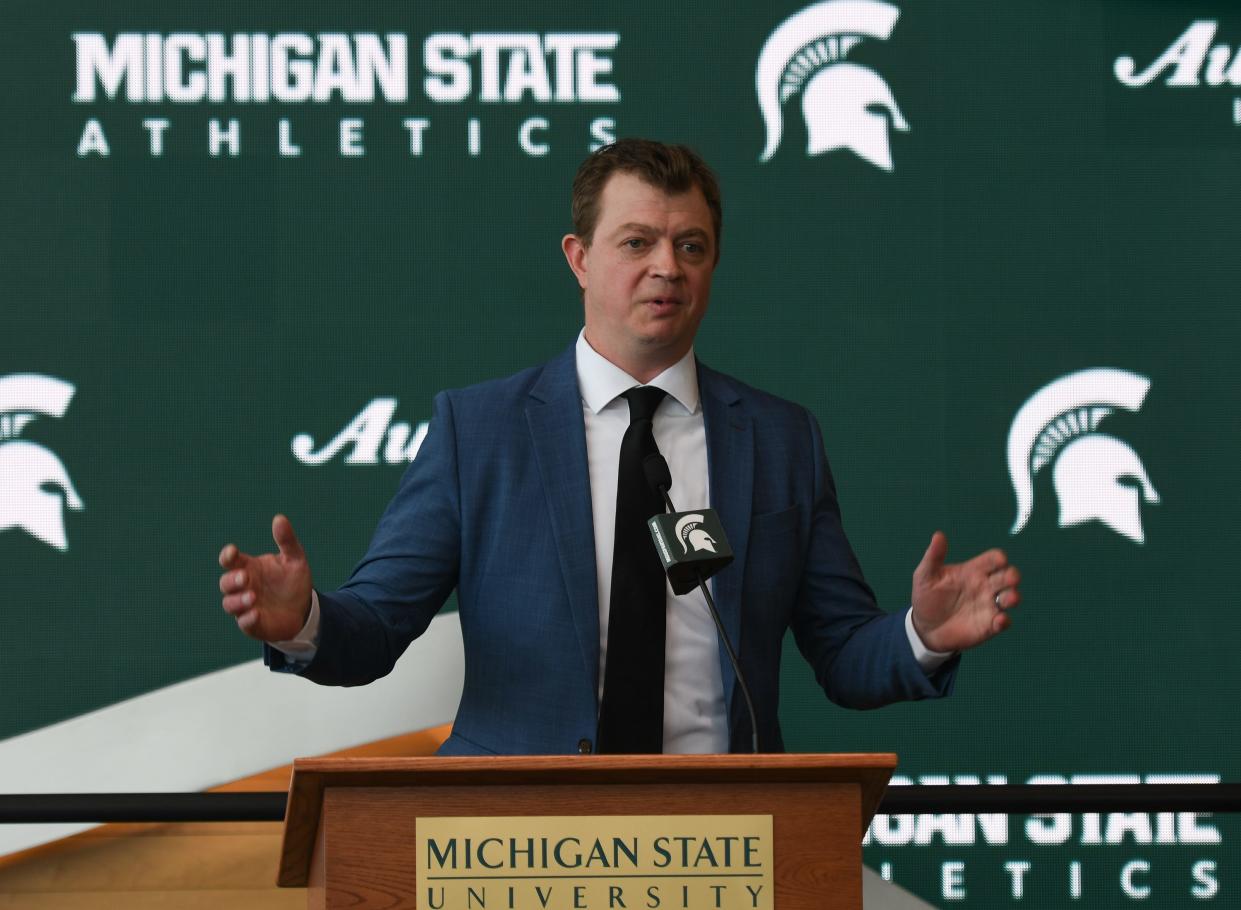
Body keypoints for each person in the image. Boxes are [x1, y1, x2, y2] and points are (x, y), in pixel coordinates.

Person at [218, 139, 1021, 755]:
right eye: (637, 243)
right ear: (579, 258)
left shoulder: (779, 439)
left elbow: (843, 656)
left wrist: (919, 635)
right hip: (517, 845)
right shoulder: (481, 430)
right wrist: (303, 621)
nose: (666, 268)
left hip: (722, 841)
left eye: (691, 246)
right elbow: (378, 629)